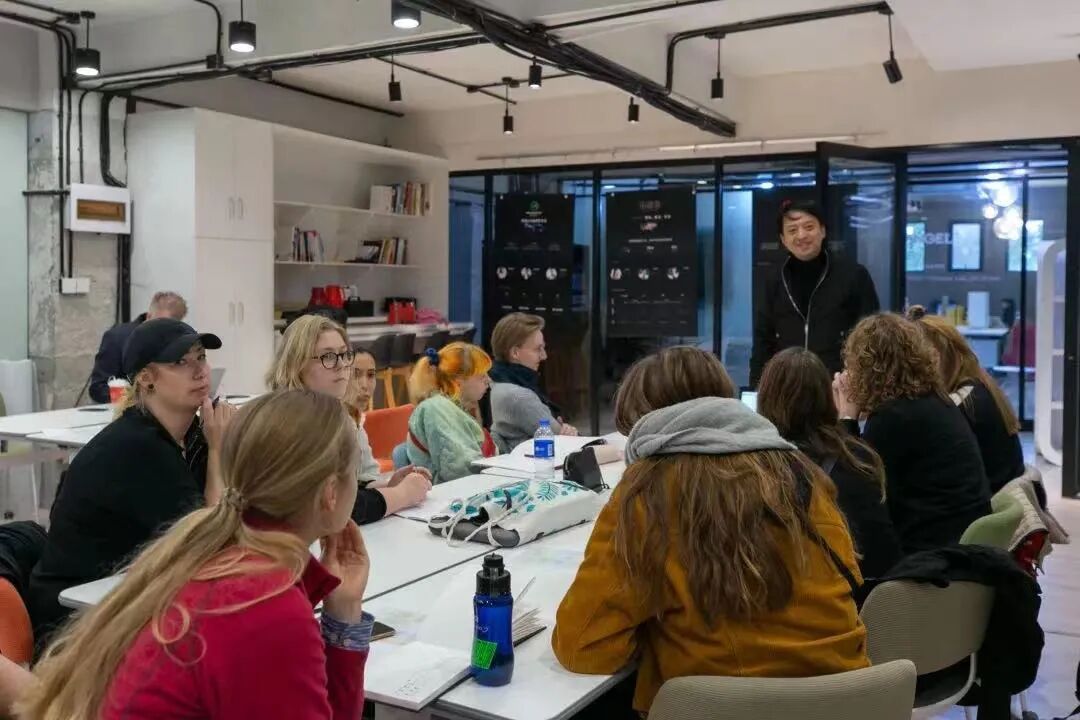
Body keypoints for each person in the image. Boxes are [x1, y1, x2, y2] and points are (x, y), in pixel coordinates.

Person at [19, 390, 375, 719]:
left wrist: (343, 612)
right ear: (330, 493)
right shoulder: (267, 605)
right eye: (354, 471)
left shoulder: (217, 554)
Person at [552, 346, 868, 715]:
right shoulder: (799, 470)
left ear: (646, 422)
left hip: (729, 707)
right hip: (850, 698)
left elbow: (583, 646)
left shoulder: (648, 488)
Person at [29, 318, 235, 649]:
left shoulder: (190, 436)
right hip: (76, 624)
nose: (199, 371)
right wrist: (219, 451)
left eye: (201, 357)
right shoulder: (139, 446)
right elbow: (211, 543)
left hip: (127, 598)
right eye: (181, 362)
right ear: (146, 378)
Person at [833, 313, 991, 554]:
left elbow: (859, 488)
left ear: (868, 370)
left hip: (933, 556)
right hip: (962, 543)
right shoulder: (933, 400)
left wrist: (847, 416)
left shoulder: (893, 416)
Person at [266, 315, 431, 523]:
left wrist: (388, 485)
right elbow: (333, 508)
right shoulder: (290, 424)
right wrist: (402, 494)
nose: (342, 365)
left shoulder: (340, 416)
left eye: (344, 354)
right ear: (296, 365)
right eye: (328, 357)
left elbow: (349, 486)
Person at [758, 347, 902, 578]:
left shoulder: (763, 466)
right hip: (869, 589)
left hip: (805, 590)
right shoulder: (859, 457)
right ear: (825, 398)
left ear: (765, 399)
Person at [749, 201, 879, 388]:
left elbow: (871, 338)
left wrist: (865, 386)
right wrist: (756, 390)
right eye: (792, 230)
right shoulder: (774, 280)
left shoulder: (854, 275)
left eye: (809, 227)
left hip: (839, 387)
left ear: (823, 231)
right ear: (783, 239)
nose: (801, 235)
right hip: (786, 387)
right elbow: (763, 340)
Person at [907, 306, 1025, 494]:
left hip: (987, 502)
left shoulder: (959, 406)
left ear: (935, 359)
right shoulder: (980, 386)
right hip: (1003, 495)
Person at [400, 343, 496, 483]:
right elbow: (459, 471)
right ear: (458, 380)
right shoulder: (436, 408)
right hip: (452, 492)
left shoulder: (450, 407)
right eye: (482, 375)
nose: (489, 380)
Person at [488, 313, 578, 451]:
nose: (544, 356)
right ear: (515, 353)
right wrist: (571, 434)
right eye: (538, 349)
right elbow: (561, 437)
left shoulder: (499, 382)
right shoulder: (518, 396)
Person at [89, 291, 188, 403]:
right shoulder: (117, 338)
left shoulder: (178, 341)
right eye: (158, 324)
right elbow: (98, 389)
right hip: (124, 409)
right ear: (148, 317)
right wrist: (135, 396)